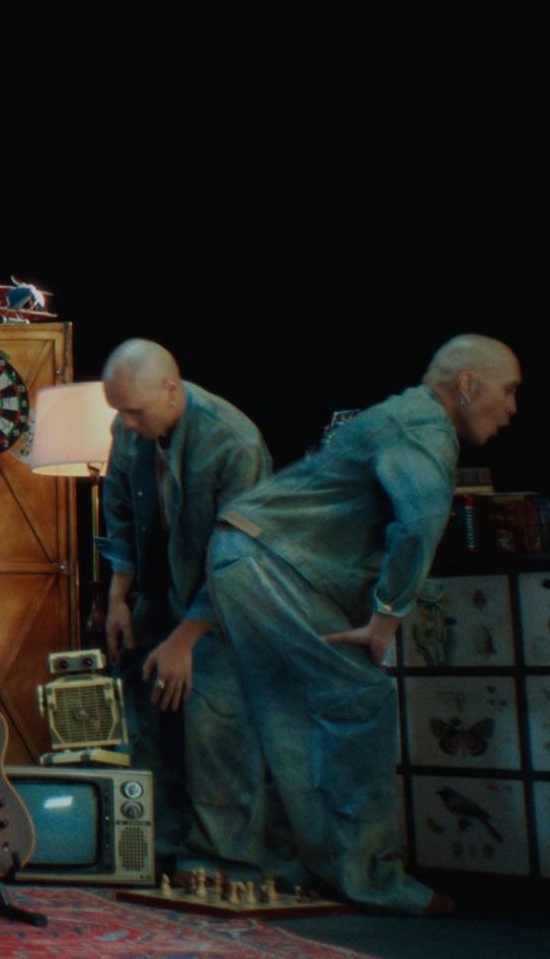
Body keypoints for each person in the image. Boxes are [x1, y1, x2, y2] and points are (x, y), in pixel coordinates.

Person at [193, 335, 520, 914]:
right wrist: (387, 618)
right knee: (361, 701)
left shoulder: (398, 414)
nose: (513, 408)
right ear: (467, 384)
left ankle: (300, 869)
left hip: (240, 554)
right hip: (272, 561)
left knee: (282, 716)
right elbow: (419, 521)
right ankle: (374, 878)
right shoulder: (424, 428)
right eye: (508, 390)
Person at [94, 340, 273, 871]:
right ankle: (160, 859)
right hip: (156, 599)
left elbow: (237, 558)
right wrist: (117, 598)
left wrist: (185, 640)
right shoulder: (129, 429)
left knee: (217, 732)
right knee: (149, 727)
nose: (126, 424)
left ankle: (225, 867)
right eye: (119, 412)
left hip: (221, 611)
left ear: (171, 390)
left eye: (134, 411)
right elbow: (119, 512)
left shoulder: (234, 442)